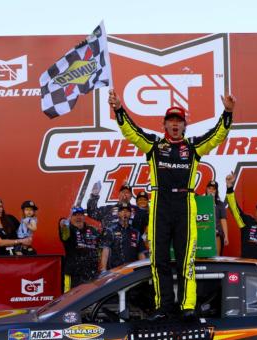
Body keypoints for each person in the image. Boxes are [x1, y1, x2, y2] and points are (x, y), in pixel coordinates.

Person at [109, 88, 235, 321]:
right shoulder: (155, 146)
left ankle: (188, 305)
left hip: (186, 203)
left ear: (184, 125)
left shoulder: (194, 146)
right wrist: (118, 108)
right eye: (171, 121)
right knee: (159, 259)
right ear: (164, 125)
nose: (175, 125)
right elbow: (132, 132)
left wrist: (227, 113)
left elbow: (217, 135)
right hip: (160, 204)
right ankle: (163, 306)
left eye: (179, 121)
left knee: (186, 258)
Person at [59, 205, 100, 291]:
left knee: (91, 298)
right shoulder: (68, 229)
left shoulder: (93, 230)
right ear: (71, 217)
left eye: (80, 215)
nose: (78, 217)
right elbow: (64, 233)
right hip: (73, 273)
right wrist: (63, 223)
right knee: (69, 300)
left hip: (91, 273)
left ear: (84, 216)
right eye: (75, 215)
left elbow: (100, 248)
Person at [100, 202, 147, 271]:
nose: (124, 213)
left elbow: (141, 253)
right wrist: (103, 269)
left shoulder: (136, 232)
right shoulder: (110, 230)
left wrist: (144, 269)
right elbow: (105, 251)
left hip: (132, 271)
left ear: (130, 214)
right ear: (118, 213)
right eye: (122, 211)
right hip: (115, 271)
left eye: (127, 211)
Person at [205, 180, 228, 255]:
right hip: (204, 234)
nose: (211, 190)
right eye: (209, 188)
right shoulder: (200, 201)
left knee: (216, 258)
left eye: (213, 189)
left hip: (217, 235)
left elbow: (223, 220)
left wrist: (226, 236)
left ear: (216, 191)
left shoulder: (220, 204)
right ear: (206, 189)